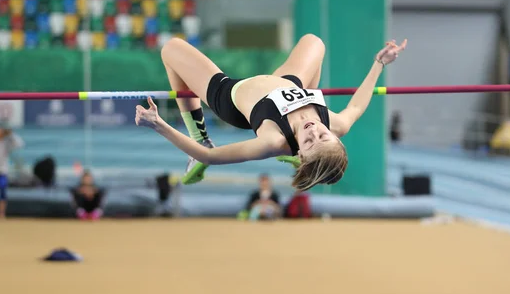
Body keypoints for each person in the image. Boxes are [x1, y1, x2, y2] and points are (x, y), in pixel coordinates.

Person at [135, 34, 407, 191]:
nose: (314, 131)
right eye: (323, 136)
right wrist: (378, 64)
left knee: (171, 49)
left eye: (309, 142)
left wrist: (159, 124)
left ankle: (199, 133)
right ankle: (301, 158)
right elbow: (357, 106)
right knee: (315, 42)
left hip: (231, 96)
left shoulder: (273, 141)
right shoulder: (337, 124)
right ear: (336, 138)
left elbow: (209, 157)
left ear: (300, 150)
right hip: (288, 82)